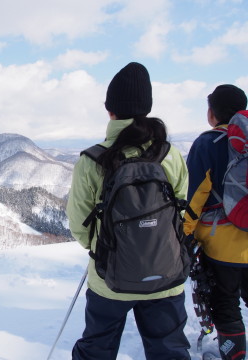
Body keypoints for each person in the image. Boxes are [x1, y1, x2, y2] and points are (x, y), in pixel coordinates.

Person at [67, 62, 191, 360]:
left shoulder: (93, 160)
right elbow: (181, 213)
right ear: (146, 108)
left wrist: (102, 246)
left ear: (110, 109)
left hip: (109, 277)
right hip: (166, 275)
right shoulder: (169, 155)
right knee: (169, 349)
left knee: (97, 349)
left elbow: (79, 224)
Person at [184, 84, 248, 360]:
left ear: (212, 113)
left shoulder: (207, 143)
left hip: (222, 246)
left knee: (226, 306)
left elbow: (194, 197)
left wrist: (184, 236)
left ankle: (233, 354)